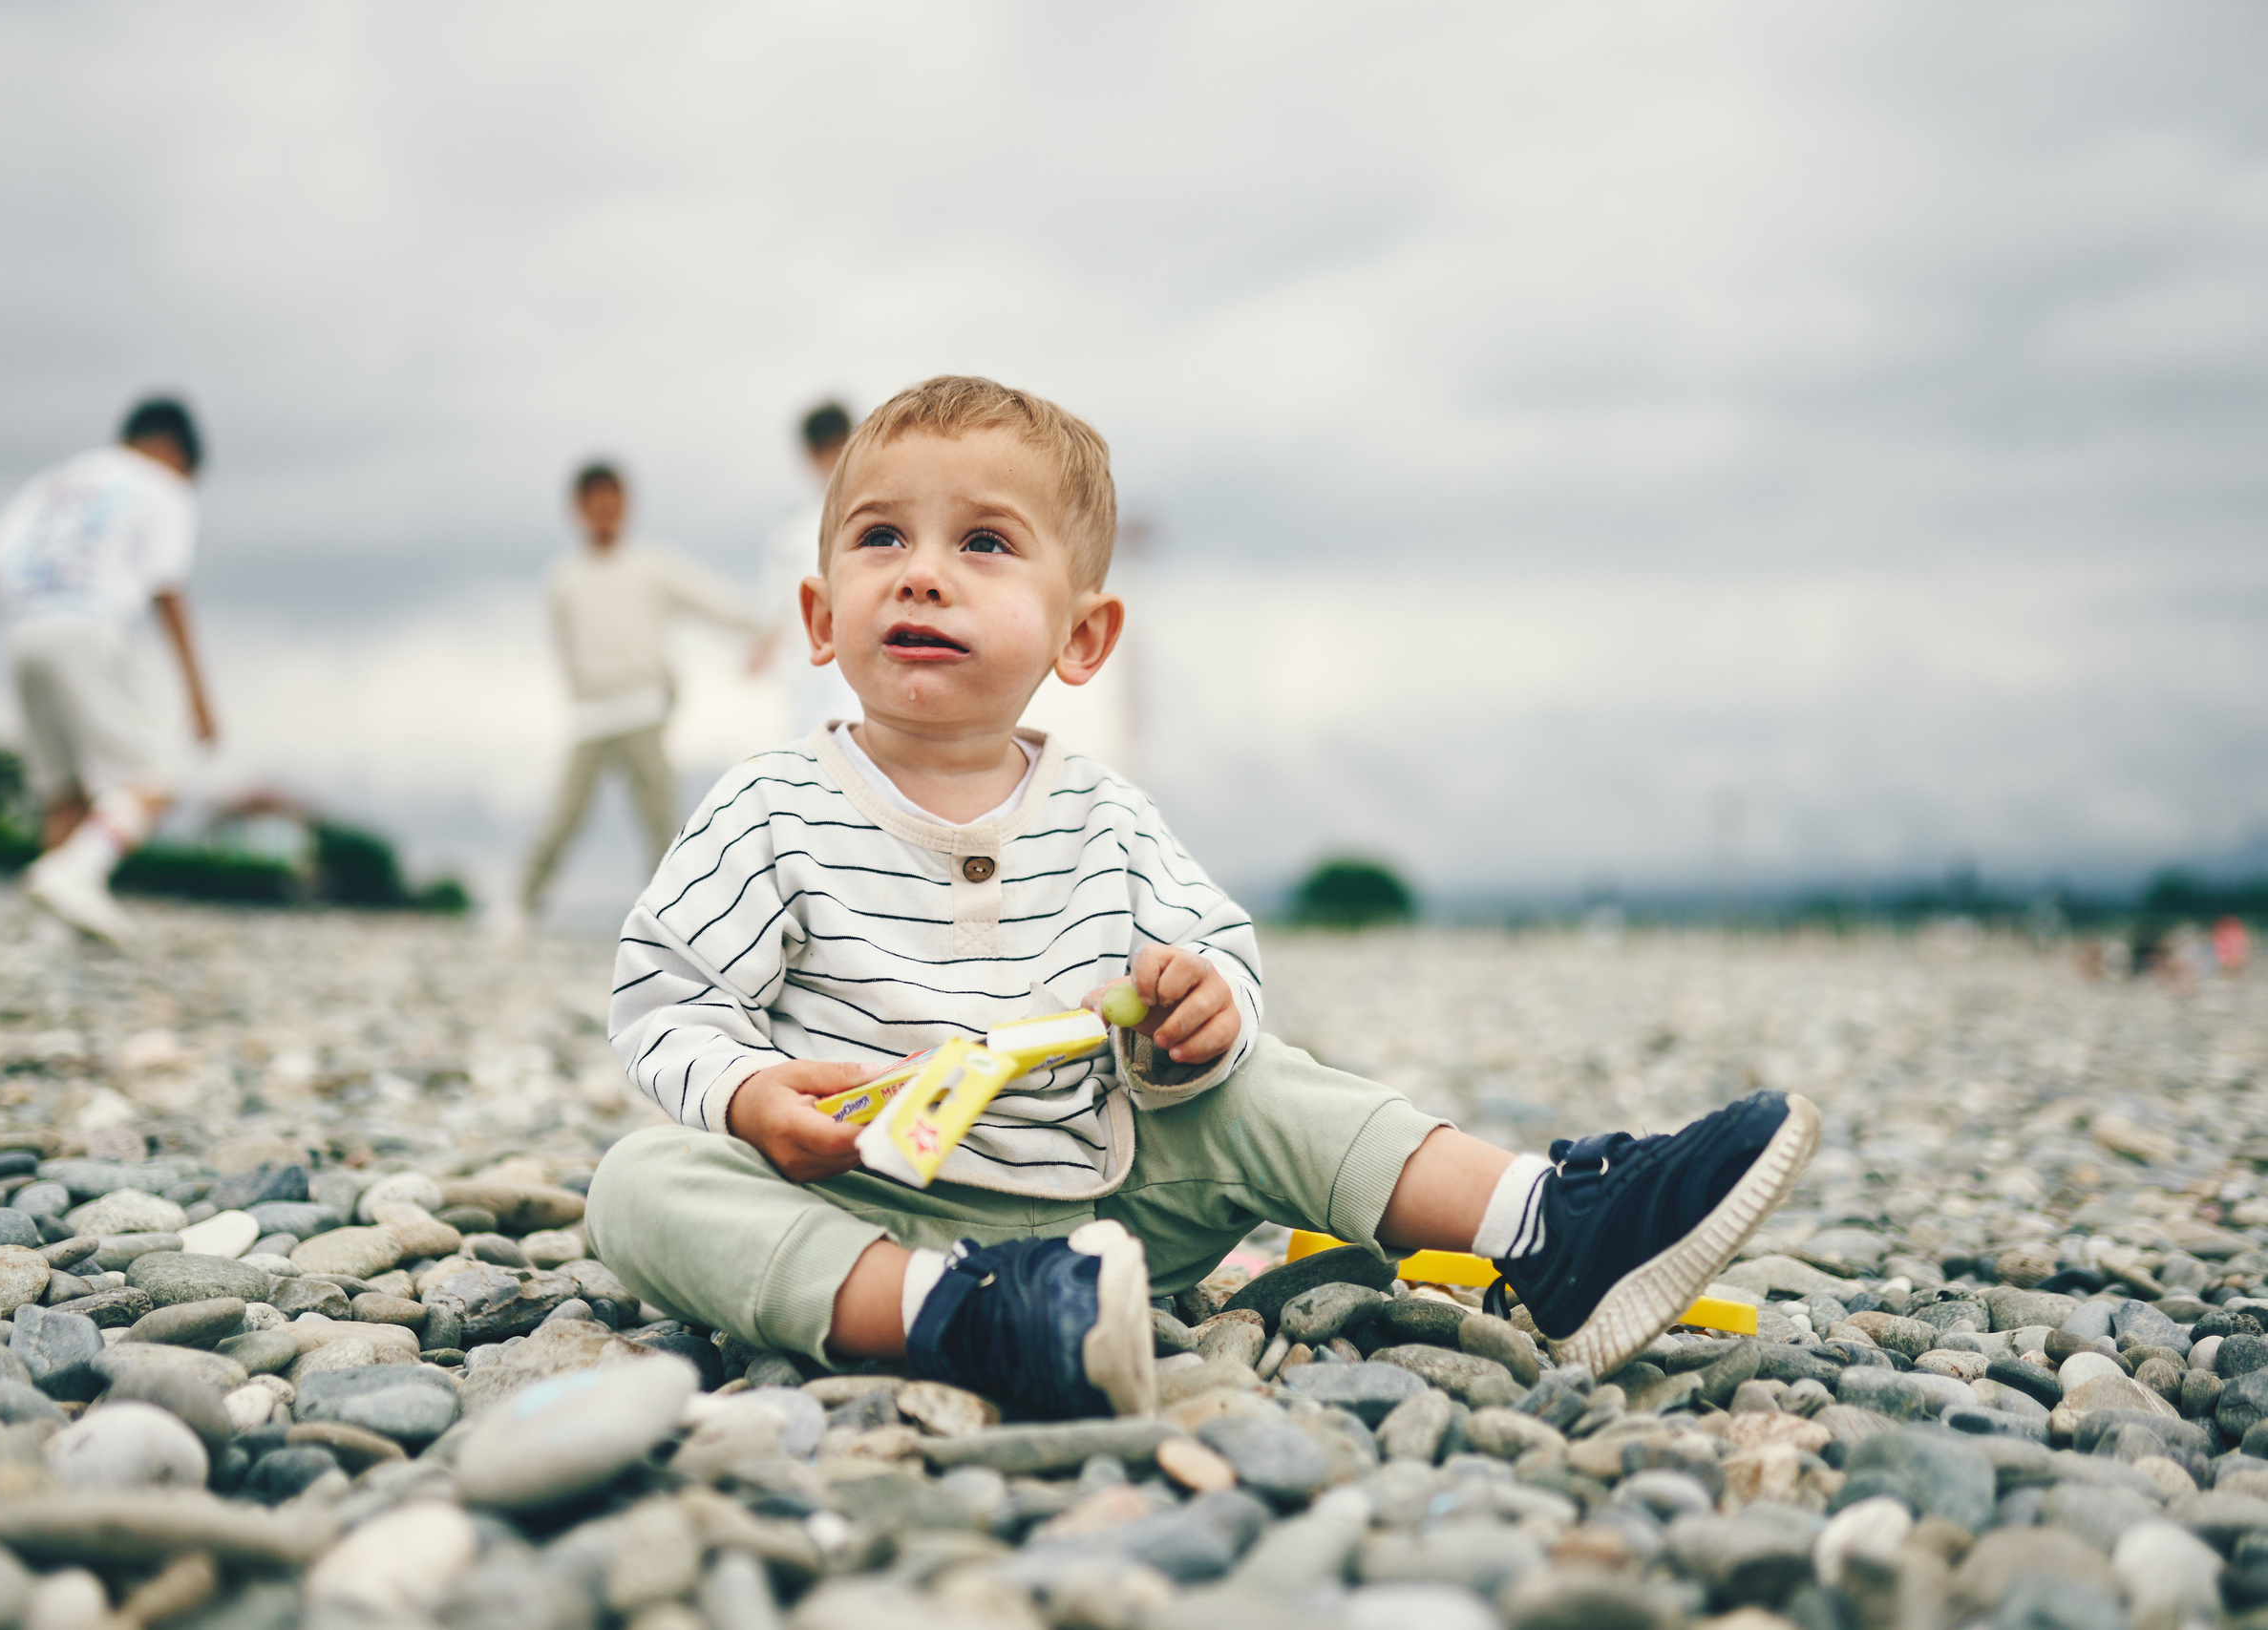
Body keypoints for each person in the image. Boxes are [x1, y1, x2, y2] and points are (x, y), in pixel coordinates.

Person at [584, 377, 1818, 1417]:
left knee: (1265, 1079)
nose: (922, 576)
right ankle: (965, 1320)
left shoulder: (1103, 810)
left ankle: (1550, 1230)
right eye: (880, 539)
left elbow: (1210, 946)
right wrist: (745, 1091)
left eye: (984, 542)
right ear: (816, 614)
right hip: (860, 1201)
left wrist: (1201, 1000)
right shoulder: (771, 805)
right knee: (642, 1181)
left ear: (1082, 636)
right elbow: (666, 996)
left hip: (1109, 1186)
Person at [0, 395, 217, 944]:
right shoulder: (161, 484)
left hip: (26, 630)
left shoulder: (61, 479)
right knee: (156, 776)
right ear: (176, 451)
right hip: (93, 627)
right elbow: (166, 586)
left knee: (63, 792)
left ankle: (50, 945)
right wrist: (199, 696)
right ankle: (78, 872)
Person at [520, 460, 762, 918]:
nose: (605, 515)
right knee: (563, 818)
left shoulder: (652, 566)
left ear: (626, 507)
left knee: (659, 823)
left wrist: (762, 627)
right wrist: (580, 697)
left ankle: (669, 917)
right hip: (592, 717)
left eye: (613, 505)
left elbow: (709, 600)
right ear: (579, 510)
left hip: (644, 713)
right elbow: (564, 649)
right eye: (595, 506)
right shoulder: (564, 577)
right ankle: (521, 905)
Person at [746, 401, 861, 734]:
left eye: (837, 447)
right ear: (809, 456)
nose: (830, 459)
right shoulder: (790, 527)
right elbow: (777, 599)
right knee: (812, 744)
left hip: (855, 649)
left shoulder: (875, 512)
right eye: (822, 451)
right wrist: (763, 647)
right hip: (805, 658)